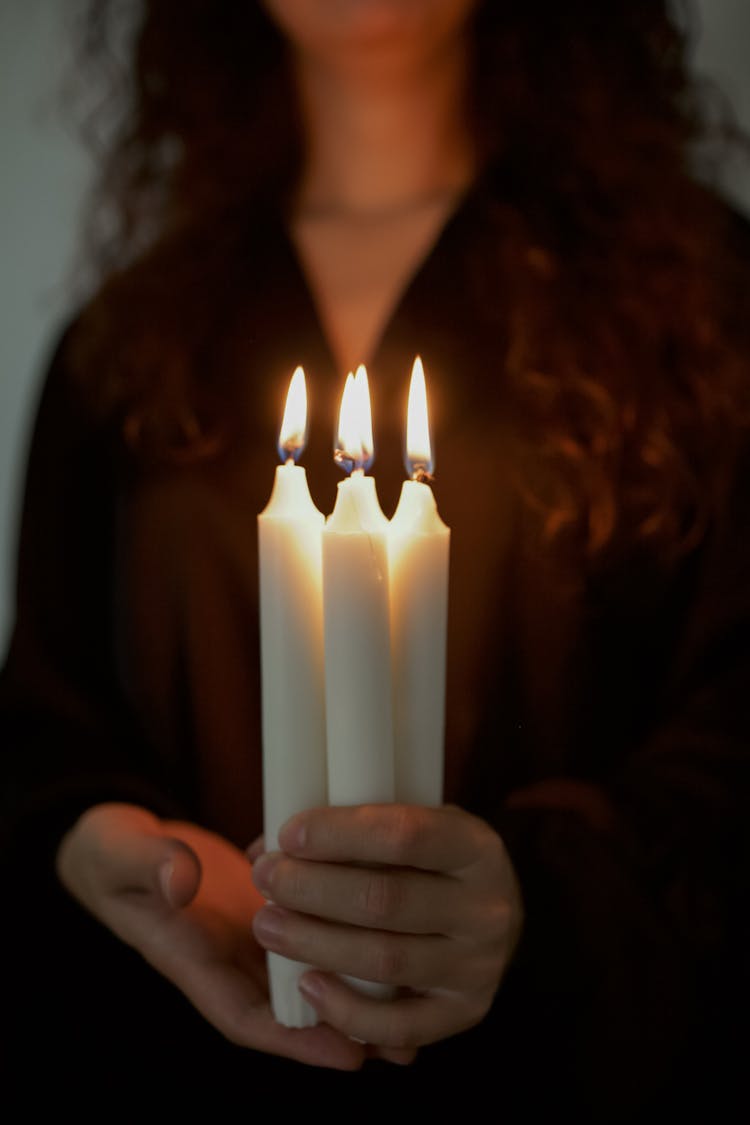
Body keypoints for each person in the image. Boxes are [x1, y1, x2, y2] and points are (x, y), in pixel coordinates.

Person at [1, 1, 749, 1118]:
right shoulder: (123, 345)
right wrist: (90, 844)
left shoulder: (706, 297)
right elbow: (47, 718)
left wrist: (543, 902)